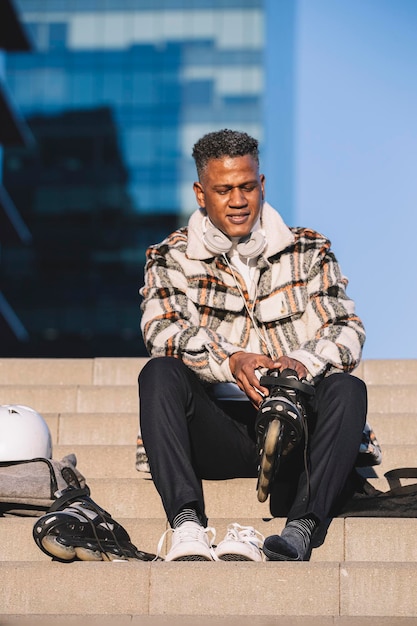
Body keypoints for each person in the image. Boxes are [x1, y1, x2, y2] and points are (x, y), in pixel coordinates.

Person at [138, 128, 367, 562]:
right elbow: (161, 330)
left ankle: (301, 527)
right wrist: (232, 359)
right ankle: (187, 526)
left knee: (347, 388)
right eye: (224, 190)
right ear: (201, 193)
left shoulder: (309, 249)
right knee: (159, 373)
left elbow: (346, 327)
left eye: (246, 186)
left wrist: (299, 363)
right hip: (216, 428)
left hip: (295, 428)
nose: (238, 200)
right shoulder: (171, 256)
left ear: (261, 184)